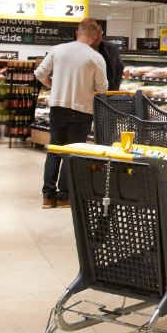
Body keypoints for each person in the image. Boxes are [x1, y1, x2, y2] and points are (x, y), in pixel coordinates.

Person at [36, 18, 108, 209]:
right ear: (94, 37)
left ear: (78, 32)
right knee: (72, 153)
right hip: (81, 110)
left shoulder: (58, 49)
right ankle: (64, 197)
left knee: (55, 151)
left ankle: (47, 197)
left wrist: (53, 85)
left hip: (57, 108)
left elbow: (40, 73)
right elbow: (102, 88)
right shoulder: (95, 57)